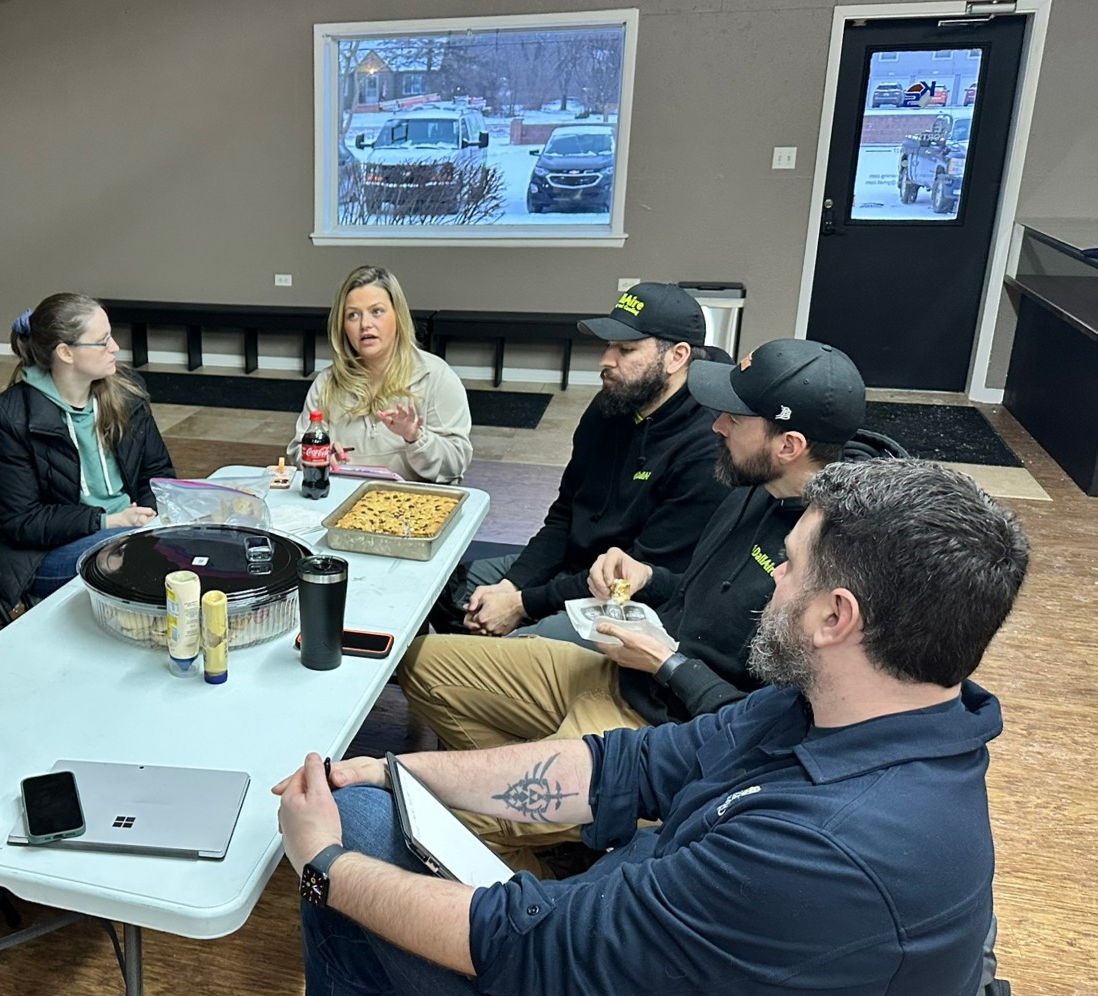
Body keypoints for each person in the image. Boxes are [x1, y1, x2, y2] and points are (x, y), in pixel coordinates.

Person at [278, 458, 1027, 995]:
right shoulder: (831, 704)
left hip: (604, 949)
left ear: (837, 617)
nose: (774, 577)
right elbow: (626, 766)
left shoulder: (828, 849)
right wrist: (395, 769)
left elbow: (534, 946)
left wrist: (324, 867)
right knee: (371, 802)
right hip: (652, 921)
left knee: (353, 840)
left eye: (791, 566)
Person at [399, 338, 877, 871]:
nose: (717, 426)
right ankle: (564, 830)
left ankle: (547, 871)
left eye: (735, 418)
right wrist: (648, 578)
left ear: (788, 445)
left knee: (453, 813)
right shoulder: (752, 484)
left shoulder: (835, 559)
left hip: (673, 732)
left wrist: (669, 665)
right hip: (625, 678)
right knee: (421, 663)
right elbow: (699, 591)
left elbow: (778, 730)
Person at [431, 282, 727, 642]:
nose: (606, 360)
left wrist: (522, 605)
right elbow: (565, 514)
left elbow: (633, 575)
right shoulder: (612, 405)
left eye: (626, 349)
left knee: (516, 650)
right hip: (571, 568)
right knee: (443, 593)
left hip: (628, 599)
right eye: (608, 345)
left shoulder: (707, 448)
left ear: (677, 357)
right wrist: (511, 586)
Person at [0, 292, 176, 611]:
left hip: (130, 530)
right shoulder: (12, 415)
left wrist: (149, 514)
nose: (115, 348)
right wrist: (109, 522)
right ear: (66, 352)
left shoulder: (128, 392)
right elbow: (22, 520)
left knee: (190, 546)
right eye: (102, 341)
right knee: (148, 559)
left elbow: (158, 473)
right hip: (43, 553)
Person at [287, 266, 472, 484]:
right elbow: (298, 451)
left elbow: (456, 463)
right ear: (342, 326)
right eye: (353, 315)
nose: (365, 324)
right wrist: (322, 457)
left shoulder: (436, 377)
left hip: (416, 500)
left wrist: (416, 438)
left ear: (398, 316)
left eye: (376, 311)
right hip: (344, 499)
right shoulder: (327, 383)